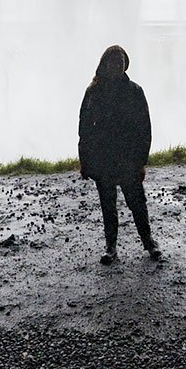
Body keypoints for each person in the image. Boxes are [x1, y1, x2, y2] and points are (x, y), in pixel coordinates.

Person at [78, 44, 160, 265]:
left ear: (125, 66)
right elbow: (84, 128)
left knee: (137, 203)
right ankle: (111, 247)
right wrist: (85, 161)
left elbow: (145, 129)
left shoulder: (135, 92)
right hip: (103, 159)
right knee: (108, 204)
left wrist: (141, 162)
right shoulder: (93, 92)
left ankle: (149, 242)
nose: (117, 66)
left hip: (128, 159)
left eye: (120, 63)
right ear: (104, 64)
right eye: (113, 62)